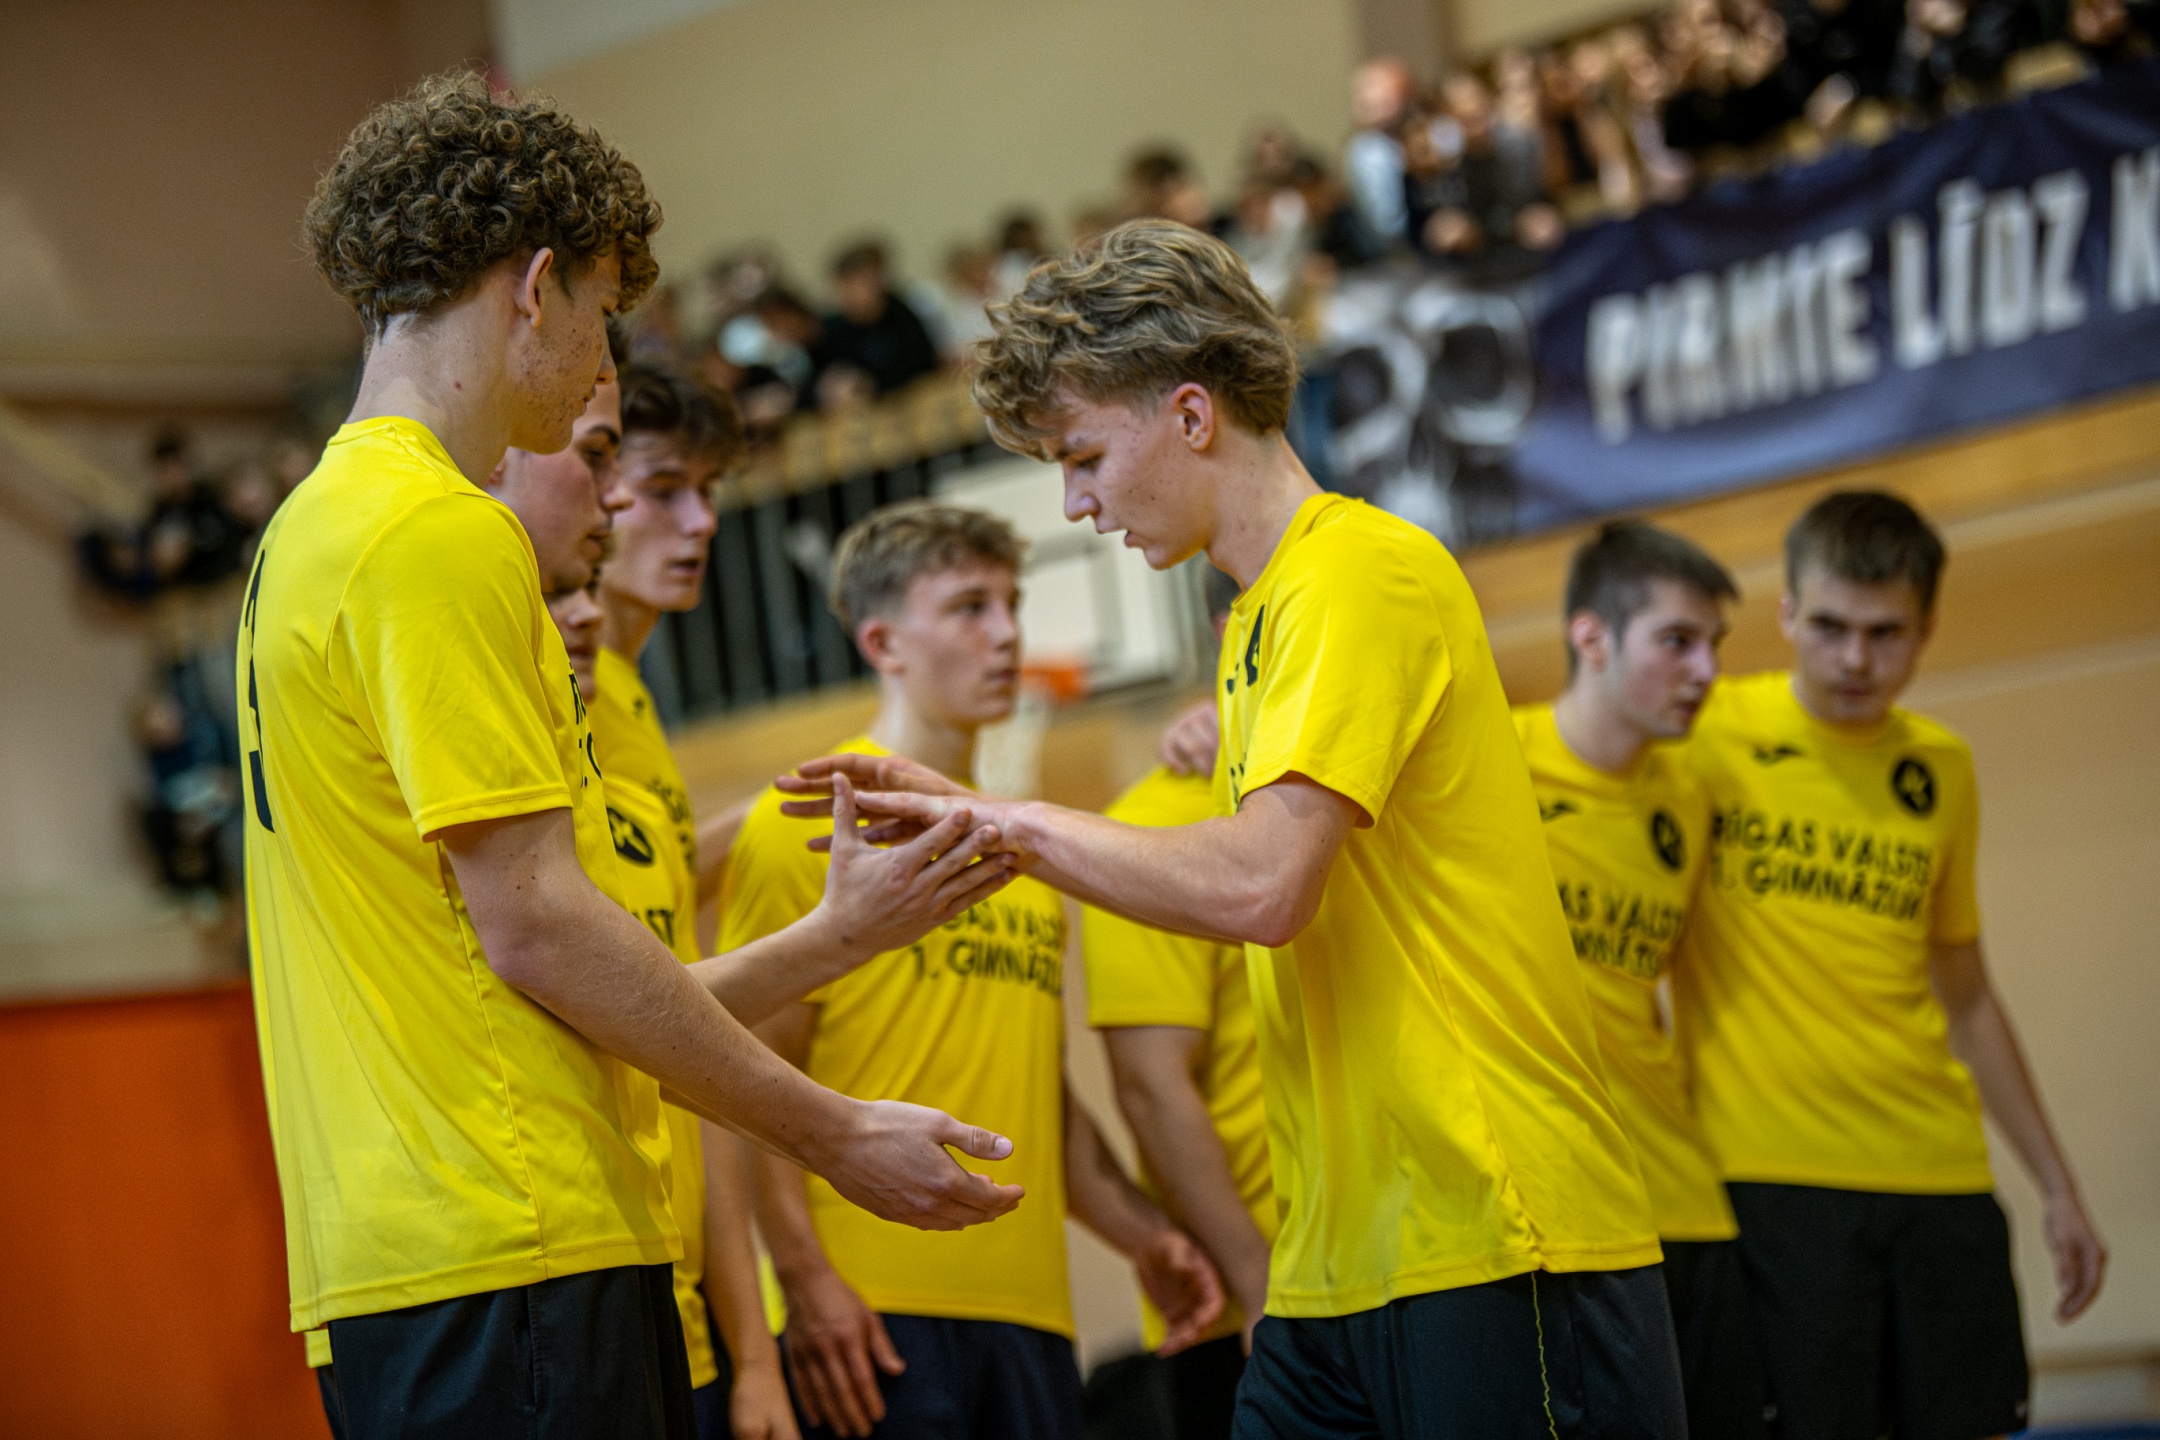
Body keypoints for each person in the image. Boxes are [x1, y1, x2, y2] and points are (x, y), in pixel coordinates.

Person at [786, 220, 1682, 1440]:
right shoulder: (1258, 620)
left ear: (1192, 415)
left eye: (1084, 457)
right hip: (1338, 1257)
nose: (1076, 502)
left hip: (1496, 1228)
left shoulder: (1358, 570)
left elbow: (1264, 886)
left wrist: (1006, 822)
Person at [246, 73, 1023, 1439]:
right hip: (516, 1233)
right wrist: (831, 1128)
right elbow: (540, 928)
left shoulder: (305, 536)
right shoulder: (440, 532)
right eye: (604, 309)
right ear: (536, 286)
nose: (603, 348)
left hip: (400, 1256)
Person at [724, 502, 1225, 1440]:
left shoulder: (1023, 851)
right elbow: (743, 1077)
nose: (1005, 633)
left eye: (1010, 604)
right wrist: (805, 1277)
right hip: (873, 1315)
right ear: (883, 642)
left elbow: (1043, 1101)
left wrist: (1145, 1235)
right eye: (968, 608)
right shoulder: (808, 822)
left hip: (1032, 1315)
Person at [1677, 491, 2109, 1440]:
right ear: (1786, 612)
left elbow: (1970, 999)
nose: (1855, 661)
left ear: (1928, 629)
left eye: (1885, 634)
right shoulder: (1701, 737)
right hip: (1771, 1182)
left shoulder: (1942, 769)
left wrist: (2057, 1186)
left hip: (1940, 1178)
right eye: (1829, 627)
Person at [1511, 522, 1764, 1440]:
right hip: (1552, 1223)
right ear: (1591, 636)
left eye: (1714, 645)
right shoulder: (1488, 763)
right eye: (1677, 642)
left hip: (1686, 1202)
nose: (1706, 672)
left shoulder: (1689, 794)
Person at [593, 362, 803, 1440]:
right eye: (667, 488)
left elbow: (666, 894)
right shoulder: (560, 690)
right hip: (599, 1274)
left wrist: (798, 801)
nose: (703, 521)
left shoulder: (627, 695)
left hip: (687, 1277)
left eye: (710, 491)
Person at [1083, 570, 1273, 1440]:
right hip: (1253, 1301)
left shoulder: (1370, 791)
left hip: (1403, 1265)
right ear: (1240, 630)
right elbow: (1151, 1089)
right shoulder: (1154, 824)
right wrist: (1256, 1279)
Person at [813, 241, 943, 403]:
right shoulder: (830, 329)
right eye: (863, 280)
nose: (874, 285)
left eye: (876, 276)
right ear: (843, 285)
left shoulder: (899, 311)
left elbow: (924, 364)